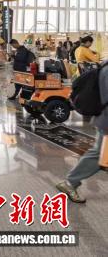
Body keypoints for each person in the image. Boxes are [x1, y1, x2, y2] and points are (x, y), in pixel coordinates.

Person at [56, 65, 108, 203]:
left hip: (104, 120)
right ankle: (70, 183)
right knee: (99, 155)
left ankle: (70, 182)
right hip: (106, 121)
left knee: (99, 154)